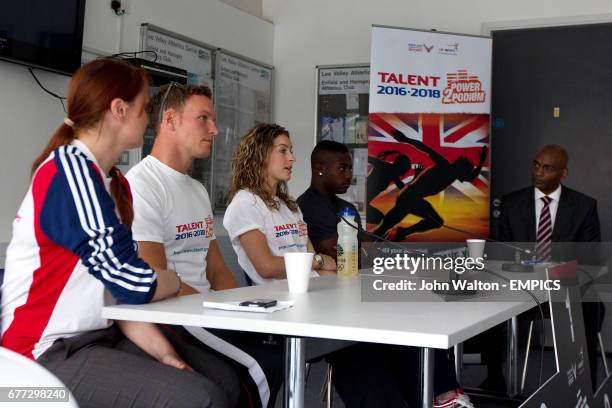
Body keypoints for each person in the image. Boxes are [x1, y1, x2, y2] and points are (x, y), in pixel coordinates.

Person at [0, 59, 240, 407]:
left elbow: (122, 297)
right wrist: (171, 278)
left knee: (223, 381)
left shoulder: (114, 184)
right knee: (201, 399)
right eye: (144, 108)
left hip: (100, 336)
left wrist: (163, 354)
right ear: (119, 109)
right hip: (39, 356)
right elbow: (134, 283)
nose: (147, 119)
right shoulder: (70, 170)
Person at [126, 83, 282, 408]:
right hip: (172, 318)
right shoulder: (141, 185)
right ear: (169, 121)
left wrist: (237, 310)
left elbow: (216, 268)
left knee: (277, 347)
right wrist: (215, 311)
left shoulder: (197, 190)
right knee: (260, 365)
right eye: (203, 118)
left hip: (205, 312)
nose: (214, 129)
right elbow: (157, 279)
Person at [297, 140, 473, 408]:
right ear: (320, 169)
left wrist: (365, 251)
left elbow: (365, 251)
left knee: (415, 314)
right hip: (330, 306)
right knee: (392, 329)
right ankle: (435, 396)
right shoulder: (307, 206)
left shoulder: (346, 208)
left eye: (349, 168)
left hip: (356, 296)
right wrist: (363, 251)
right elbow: (338, 253)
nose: (349, 175)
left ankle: (443, 394)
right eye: (342, 168)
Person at [494, 144, 605, 391]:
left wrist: (558, 271)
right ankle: (494, 378)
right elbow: (498, 251)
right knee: (486, 302)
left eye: (547, 168)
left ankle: (585, 383)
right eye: (535, 165)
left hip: (565, 284)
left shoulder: (584, 206)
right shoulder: (511, 203)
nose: (538, 173)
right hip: (520, 283)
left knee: (592, 306)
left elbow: (590, 258)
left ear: (563, 173)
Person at [223, 124, 337, 285]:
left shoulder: (290, 204)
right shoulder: (245, 203)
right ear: (260, 155)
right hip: (279, 300)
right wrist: (320, 261)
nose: (292, 158)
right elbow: (266, 267)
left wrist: (322, 267)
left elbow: (308, 254)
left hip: (309, 288)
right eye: (283, 150)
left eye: (291, 151)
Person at [372, 130, 487, 241]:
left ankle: (401, 233)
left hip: (410, 197)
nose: (466, 176)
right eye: (466, 172)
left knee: (384, 228)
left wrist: (481, 162)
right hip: (410, 197)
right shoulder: (445, 165)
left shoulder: (452, 175)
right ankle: (401, 232)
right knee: (434, 221)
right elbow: (426, 149)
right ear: (460, 168)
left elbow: (470, 178)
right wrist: (406, 140)